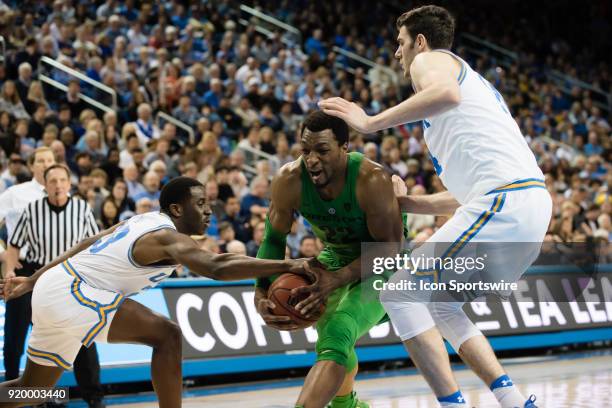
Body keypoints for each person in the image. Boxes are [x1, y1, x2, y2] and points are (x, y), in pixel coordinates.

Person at [319, 5, 549, 408]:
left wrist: (370, 122)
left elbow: (445, 93)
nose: (398, 54)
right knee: (443, 305)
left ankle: (452, 405)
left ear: (419, 41)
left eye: (401, 43)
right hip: (518, 204)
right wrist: (408, 202)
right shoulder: (468, 97)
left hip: (507, 201)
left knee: (399, 294)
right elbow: (465, 196)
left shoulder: (432, 61)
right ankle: (513, 401)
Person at [0, 176, 323, 408]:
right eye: (200, 204)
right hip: (73, 292)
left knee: (32, 390)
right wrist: (287, 265)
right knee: (167, 335)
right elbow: (217, 266)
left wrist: (33, 279)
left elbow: (88, 242)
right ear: (177, 209)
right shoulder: (166, 236)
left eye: (208, 204)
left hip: (55, 287)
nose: (209, 211)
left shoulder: (143, 220)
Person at [254, 111, 403, 408]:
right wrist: (261, 290)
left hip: (384, 263)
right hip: (334, 255)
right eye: (305, 150)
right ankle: (347, 405)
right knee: (330, 341)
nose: (311, 159)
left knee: (337, 331)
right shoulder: (289, 180)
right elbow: (273, 238)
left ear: (344, 148)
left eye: (322, 150)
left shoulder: (371, 179)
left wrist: (335, 279)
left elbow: (390, 248)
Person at [3, 164, 106, 407]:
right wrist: (9, 268)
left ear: (69, 184)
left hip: (73, 280)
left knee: (84, 341)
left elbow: (94, 246)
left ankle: (94, 398)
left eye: (62, 180)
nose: (58, 185)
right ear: (45, 185)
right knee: (25, 341)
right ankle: (23, 397)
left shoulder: (82, 209)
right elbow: (14, 244)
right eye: (53, 181)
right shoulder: (33, 209)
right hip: (38, 278)